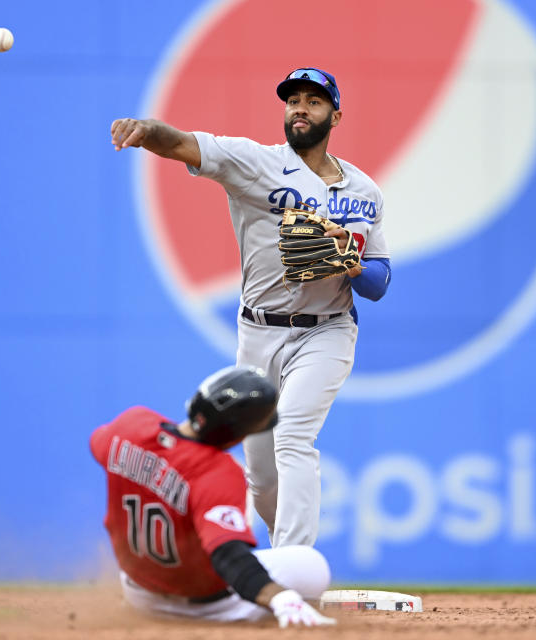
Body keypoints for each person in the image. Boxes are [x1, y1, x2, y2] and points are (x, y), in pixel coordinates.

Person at [110, 68, 391, 548]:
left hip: (327, 330)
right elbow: (182, 144)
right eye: (293, 100)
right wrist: (146, 131)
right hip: (258, 333)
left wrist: (351, 266)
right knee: (260, 476)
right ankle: (283, 559)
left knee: (294, 437)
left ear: (336, 115)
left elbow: (379, 282)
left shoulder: (364, 192)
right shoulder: (255, 162)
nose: (300, 107)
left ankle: (293, 565)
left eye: (314, 101)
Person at [90, 365, 336, 626]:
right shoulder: (217, 472)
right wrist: (280, 598)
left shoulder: (131, 425)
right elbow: (228, 555)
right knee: (311, 564)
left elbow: (97, 443)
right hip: (206, 607)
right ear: (236, 435)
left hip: (139, 593)